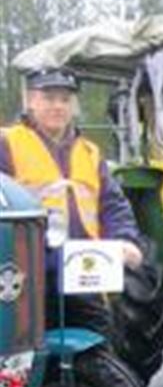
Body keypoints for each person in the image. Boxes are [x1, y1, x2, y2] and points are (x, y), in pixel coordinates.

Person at [0, 67, 144, 334]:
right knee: (23, 355)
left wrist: (125, 239)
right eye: (49, 97)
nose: (58, 106)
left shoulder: (89, 153)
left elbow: (112, 204)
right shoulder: (7, 144)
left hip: (82, 271)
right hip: (26, 273)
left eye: (65, 100)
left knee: (99, 343)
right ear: (30, 100)